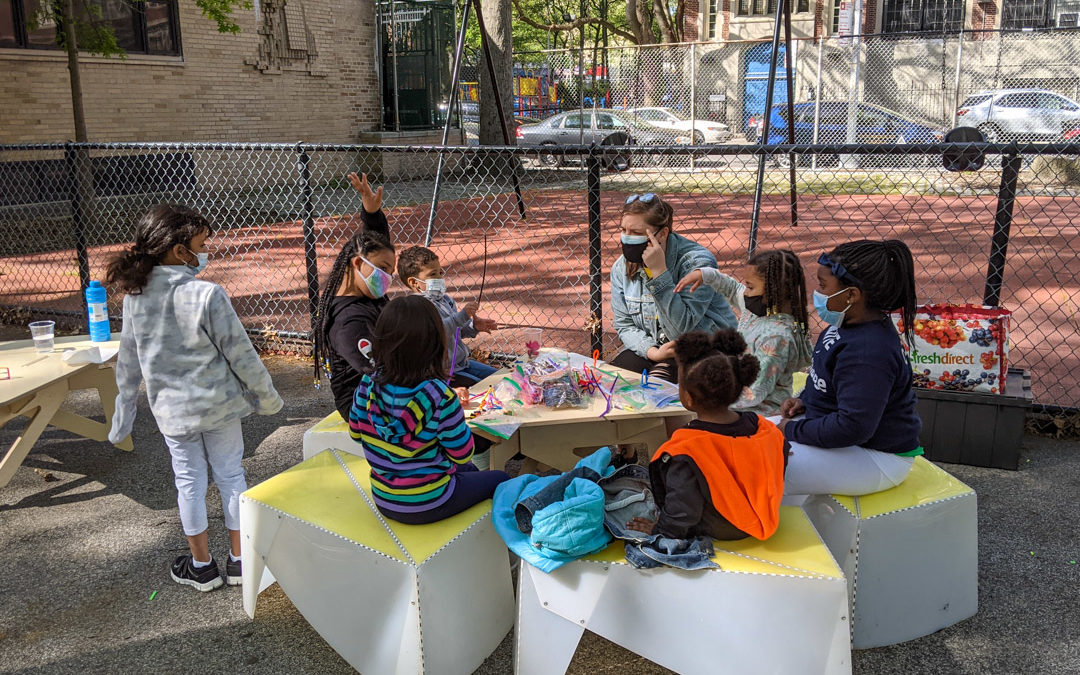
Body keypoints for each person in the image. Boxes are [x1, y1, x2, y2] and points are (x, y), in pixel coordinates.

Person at [106, 204, 283, 592]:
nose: (206, 252)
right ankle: (239, 561)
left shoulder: (136, 298)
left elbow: (128, 362)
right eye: (202, 245)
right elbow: (241, 354)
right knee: (231, 475)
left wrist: (122, 416)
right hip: (220, 406)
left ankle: (201, 566)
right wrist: (267, 397)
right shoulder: (207, 294)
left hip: (173, 413)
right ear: (178, 250)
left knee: (189, 483)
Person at [776, 240, 922, 496]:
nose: (817, 293)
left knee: (753, 465)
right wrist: (806, 400)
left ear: (851, 295)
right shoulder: (846, 323)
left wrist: (791, 429)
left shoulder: (868, 352)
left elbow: (853, 426)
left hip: (878, 457)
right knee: (737, 440)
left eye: (823, 286)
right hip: (849, 441)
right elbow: (829, 377)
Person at [348, 296, 510, 525]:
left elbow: (355, 435)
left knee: (469, 470)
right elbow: (463, 452)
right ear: (436, 343)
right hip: (432, 500)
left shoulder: (367, 385)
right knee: (500, 478)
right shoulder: (440, 396)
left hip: (385, 498)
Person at [625, 329, 787, 541]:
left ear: (688, 399)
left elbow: (682, 509)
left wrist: (661, 531)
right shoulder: (764, 428)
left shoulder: (686, 450)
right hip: (763, 518)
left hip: (720, 530)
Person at [610, 193, 737, 384]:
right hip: (659, 348)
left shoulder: (696, 263)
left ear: (662, 233)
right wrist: (653, 352)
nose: (627, 238)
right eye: (623, 230)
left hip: (705, 349)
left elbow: (681, 331)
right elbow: (624, 324)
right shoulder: (622, 267)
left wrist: (659, 273)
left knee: (657, 385)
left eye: (636, 233)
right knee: (614, 380)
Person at [675, 249, 813, 415]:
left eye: (750, 286)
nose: (745, 292)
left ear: (773, 290)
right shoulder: (758, 308)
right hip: (735, 401)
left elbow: (756, 391)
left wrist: (709, 399)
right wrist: (705, 275)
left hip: (760, 414)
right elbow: (733, 289)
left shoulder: (777, 337)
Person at [313, 172, 396, 421]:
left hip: (392, 390)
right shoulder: (349, 322)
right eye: (383, 269)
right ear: (357, 264)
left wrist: (372, 214)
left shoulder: (368, 294)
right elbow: (380, 375)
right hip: (363, 405)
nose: (387, 276)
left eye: (390, 271)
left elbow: (375, 246)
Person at [396, 246, 499, 387]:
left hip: (462, 364)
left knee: (499, 377)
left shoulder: (446, 300)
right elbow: (437, 332)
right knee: (482, 388)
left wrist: (473, 327)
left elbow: (457, 332)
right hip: (442, 372)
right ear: (414, 283)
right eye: (433, 275)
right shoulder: (417, 307)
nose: (439, 278)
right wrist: (462, 316)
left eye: (440, 272)